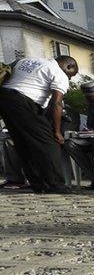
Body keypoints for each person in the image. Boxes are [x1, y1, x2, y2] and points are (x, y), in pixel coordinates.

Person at [0, 55, 78, 193]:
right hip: (23, 101)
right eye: (71, 75)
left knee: (23, 143)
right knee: (48, 143)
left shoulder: (28, 60)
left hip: (4, 98)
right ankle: (54, 185)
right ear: (69, 67)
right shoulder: (59, 73)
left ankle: (38, 184)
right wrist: (57, 131)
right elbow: (57, 103)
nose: (70, 79)